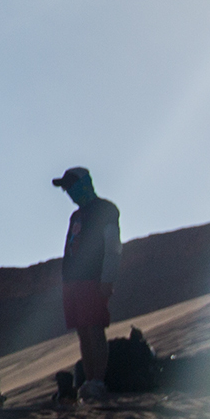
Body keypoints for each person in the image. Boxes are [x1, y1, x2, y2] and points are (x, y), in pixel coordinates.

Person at [55, 166, 122, 403]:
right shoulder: (76, 216)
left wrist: (107, 278)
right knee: (83, 331)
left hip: (93, 278)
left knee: (94, 328)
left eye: (70, 186)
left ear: (83, 185)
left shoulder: (105, 209)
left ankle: (97, 380)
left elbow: (112, 246)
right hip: (73, 280)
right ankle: (89, 381)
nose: (68, 193)